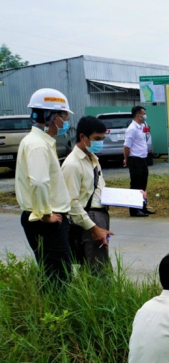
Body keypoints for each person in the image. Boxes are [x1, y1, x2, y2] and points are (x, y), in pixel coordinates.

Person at [15, 88, 74, 287]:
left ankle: (51, 313)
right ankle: (57, 314)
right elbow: (39, 182)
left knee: (52, 273)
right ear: (54, 116)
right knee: (59, 278)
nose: (66, 121)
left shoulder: (38, 142)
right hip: (46, 220)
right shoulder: (38, 145)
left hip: (46, 218)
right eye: (65, 116)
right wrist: (45, 214)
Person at [61, 116, 115, 276]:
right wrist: (93, 228)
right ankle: (102, 298)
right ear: (83, 137)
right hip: (89, 218)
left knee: (97, 262)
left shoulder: (92, 159)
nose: (100, 143)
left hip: (100, 215)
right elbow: (72, 202)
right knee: (98, 269)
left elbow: (98, 189)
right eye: (96, 139)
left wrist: (133, 196)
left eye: (102, 139)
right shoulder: (72, 164)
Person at [123, 105, 153, 217]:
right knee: (136, 185)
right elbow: (126, 146)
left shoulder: (141, 127)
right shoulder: (131, 129)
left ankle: (143, 207)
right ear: (138, 115)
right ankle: (134, 210)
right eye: (143, 113)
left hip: (142, 159)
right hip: (134, 159)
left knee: (143, 184)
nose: (145, 116)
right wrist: (126, 159)